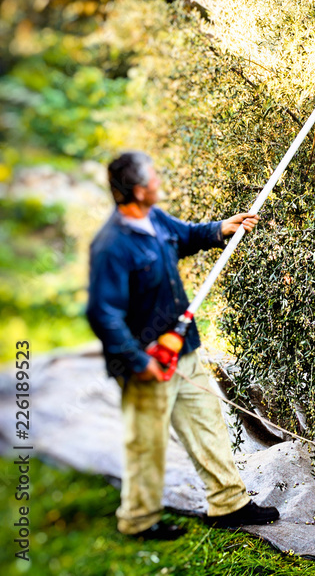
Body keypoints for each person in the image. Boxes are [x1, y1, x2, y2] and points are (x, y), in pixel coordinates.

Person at [86, 150, 279, 541]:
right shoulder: (111, 246)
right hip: (147, 362)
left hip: (183, 348)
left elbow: (186, 236)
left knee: (208, 422)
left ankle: (228, 503)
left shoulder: (154, 218)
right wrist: (138, 360)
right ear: (138, 190)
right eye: (154, 178)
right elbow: (102, 313)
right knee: (148, 443)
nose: (159, 181)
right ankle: (138, 520)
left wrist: (223, 227)